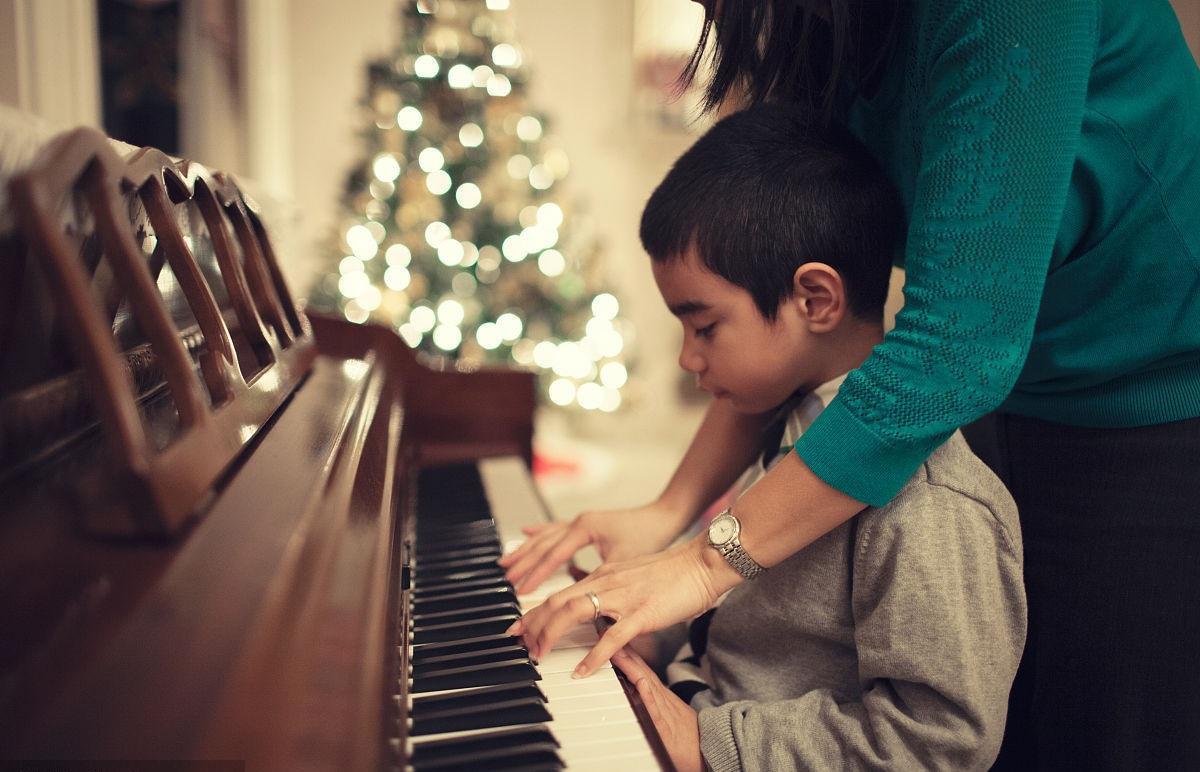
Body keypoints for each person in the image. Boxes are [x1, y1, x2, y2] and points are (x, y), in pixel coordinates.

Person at [503, 1, 1200, 769]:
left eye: (702, 328)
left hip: (1151, 403)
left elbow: (955, 352)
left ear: (818, 297)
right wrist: (668, 525)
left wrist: (704, 562)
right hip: (1006, 387)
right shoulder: (824, 34)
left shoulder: (932, 508)